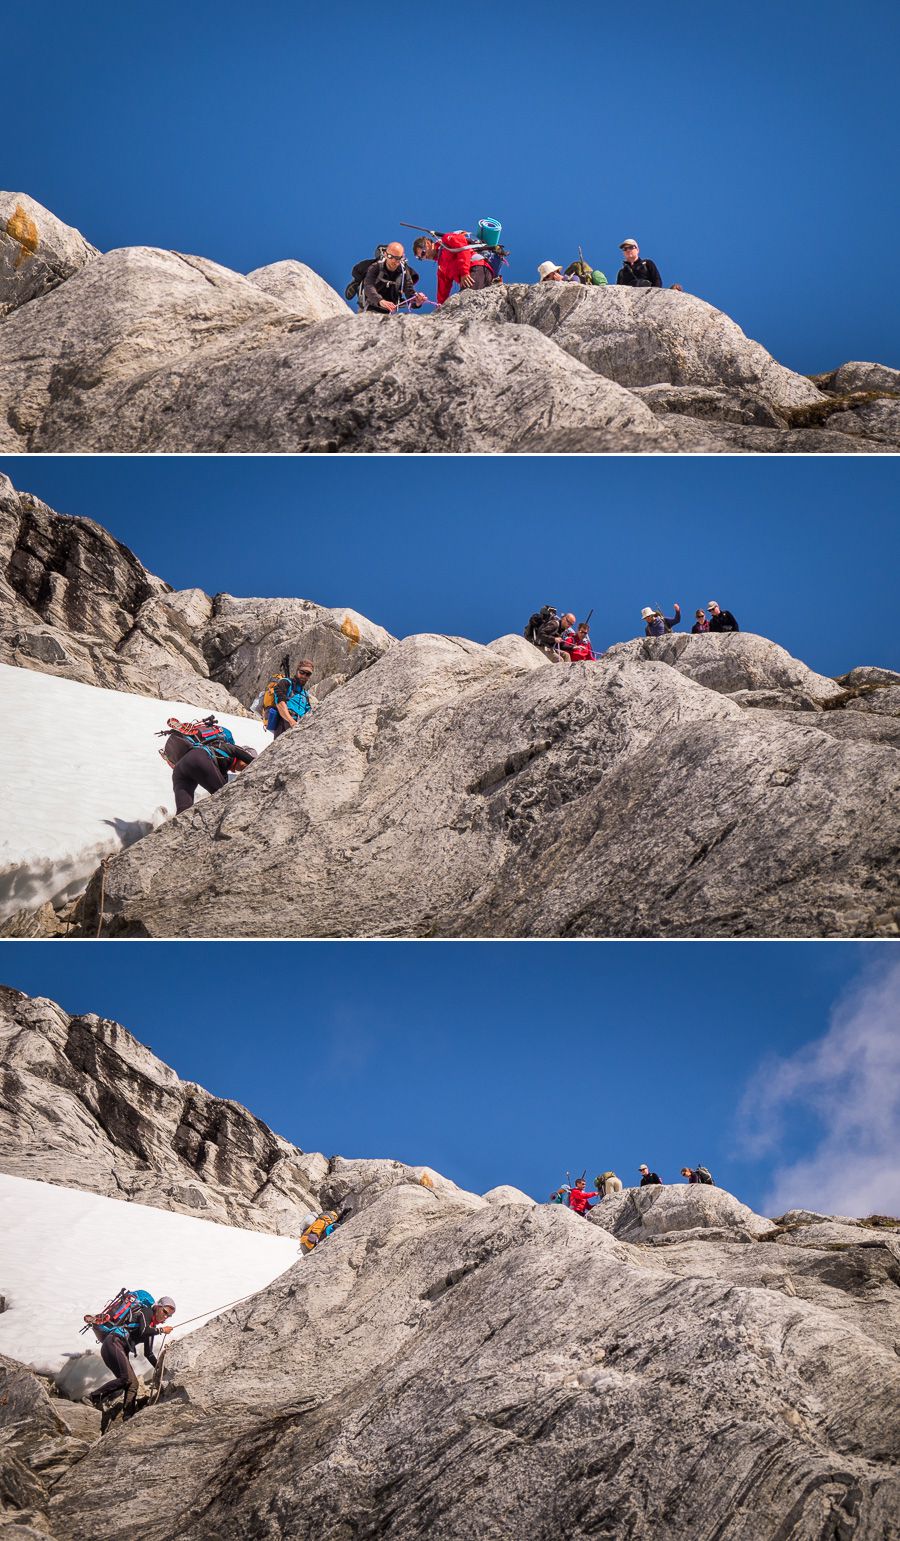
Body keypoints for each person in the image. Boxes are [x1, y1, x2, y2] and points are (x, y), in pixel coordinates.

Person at [85, 1294, 176, 1418]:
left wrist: (160, 1369)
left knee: (132, 1384)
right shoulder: (147, 1312)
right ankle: (92, 1398)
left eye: (168, 1315)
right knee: (126, 1379)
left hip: (117, 1347)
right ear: (157, 1307)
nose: (165, 1316)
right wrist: (161, 1331)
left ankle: (128, 1416)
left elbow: (148, 1353)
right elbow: (143, 1330)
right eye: (165, 1312)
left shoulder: (152, 1327)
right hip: (114, 1343)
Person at [162, 719, 257, 814]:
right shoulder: (229, 748)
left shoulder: (222, 766)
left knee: (182, 812)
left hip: (179, 770)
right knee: (224, 797)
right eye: (245, 765)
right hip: (197, 758)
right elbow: (254, 763)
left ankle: (158, 823)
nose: (245, 769)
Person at [412, 232, 494, 305]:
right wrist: (440, 306)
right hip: (472, 276)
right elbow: (442, 291)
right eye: (421, 258)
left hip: (477, 268)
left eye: (423, 253)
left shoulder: (447, 239)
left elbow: (463, 248)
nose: (425, 257)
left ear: (428, 244)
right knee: (466, 304)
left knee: (466, 303)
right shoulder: (441, 268)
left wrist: (464, 272)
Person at [361, 243, 426, 315]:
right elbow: (368, 286)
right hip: (371, 308)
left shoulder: (404, 272)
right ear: (385, 254)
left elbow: (409, 292)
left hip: (390, 311)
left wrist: (417, 302)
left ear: (402, 257)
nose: (393, 260)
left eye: (397, 258)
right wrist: (380, 301)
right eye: (390, 256)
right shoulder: (375, 268)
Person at [616, 240, 683, 291]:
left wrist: (654, 295)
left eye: (630, 247)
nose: (627, 250)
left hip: (647, 296)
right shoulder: (621, 272)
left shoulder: (647, 263)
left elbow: (657, 280)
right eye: (625, 249)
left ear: (637, 250)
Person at [270, 663, 314, 739]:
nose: (304, 676)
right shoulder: (285, 682)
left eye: (308, 674)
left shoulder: (305, 694)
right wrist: (291, 721)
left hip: (298, 726)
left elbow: (309, 712)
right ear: (297, 671)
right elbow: (280, 703)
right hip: (283, 725)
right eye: (302, 672)